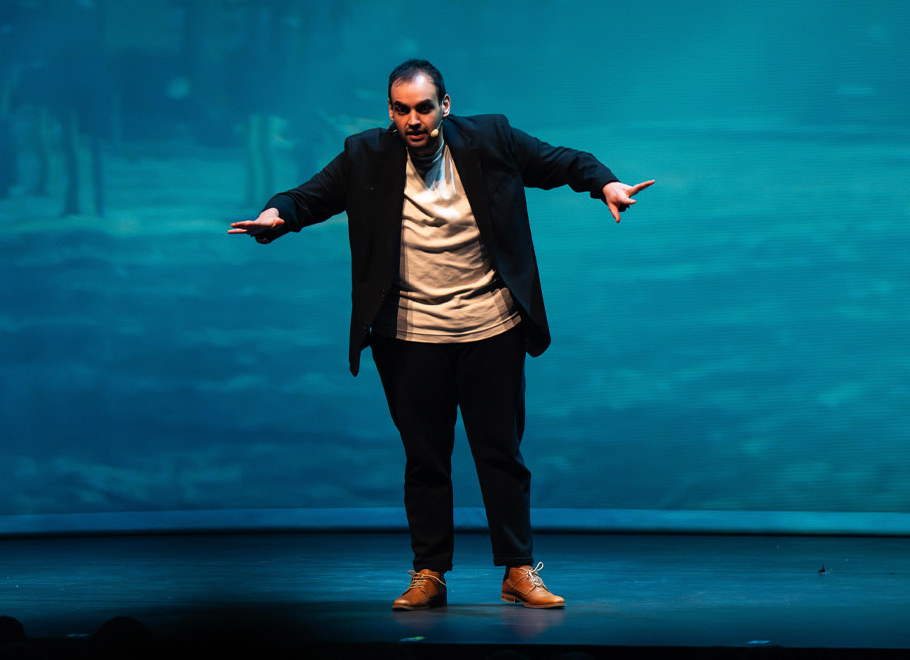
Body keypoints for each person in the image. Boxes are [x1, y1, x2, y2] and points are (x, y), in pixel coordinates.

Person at [229, 59, 653, 610]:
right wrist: (275, 216)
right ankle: (429, 573)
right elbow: (309, 196)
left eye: (424, 108)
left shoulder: (490, 138)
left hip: (490, 328)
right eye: (401, 110)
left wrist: (606, 185)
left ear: (444, 106)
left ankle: (519, 571)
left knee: (499, 453)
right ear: (390, 112)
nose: (413, 120)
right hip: (407, 337)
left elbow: (562, 162)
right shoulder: (367, 154)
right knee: (425, 459)